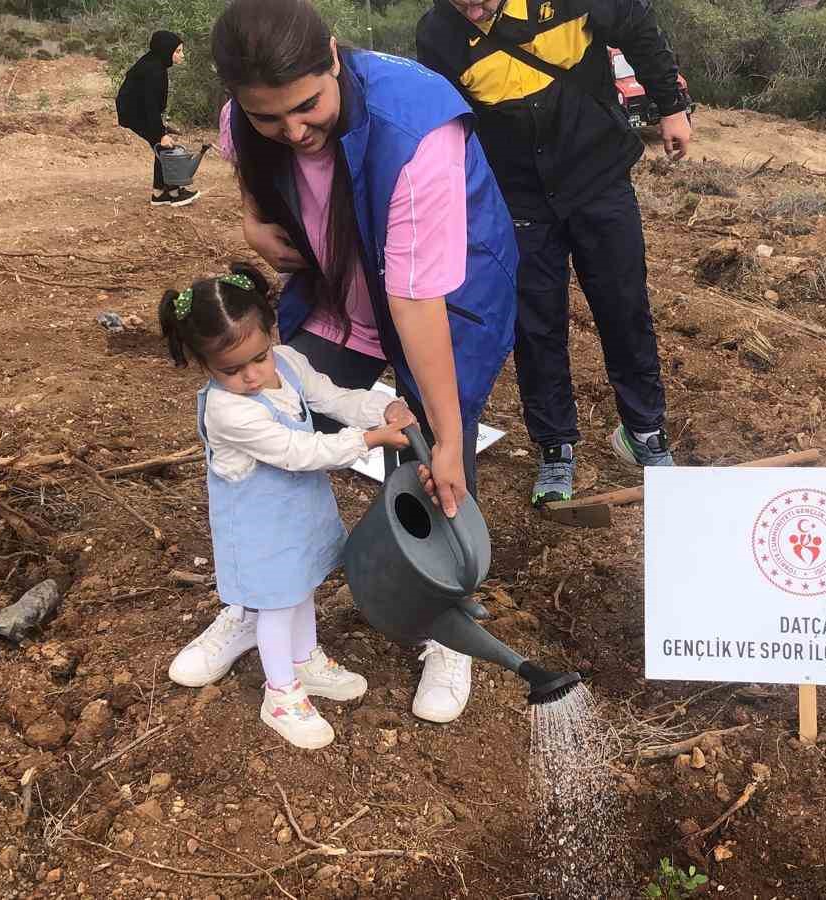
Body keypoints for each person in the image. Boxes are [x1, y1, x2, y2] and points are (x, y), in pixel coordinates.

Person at [167, 0, 518, 725]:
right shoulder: (244, 118)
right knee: (267, 428)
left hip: (441, 296)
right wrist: (253, 222)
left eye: (307, 107)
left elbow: (415, 300)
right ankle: (257, 603)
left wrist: (448, 437)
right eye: (270, 118)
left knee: (434, 459)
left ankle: (446, 624)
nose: (294, 132)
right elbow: (249, 166)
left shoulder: (417, 128)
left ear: (332, 55)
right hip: (337, 293)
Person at [416, 0, 694, 505]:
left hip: (599, 177)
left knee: (623, 305)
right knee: (536, 324)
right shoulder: (439, 34)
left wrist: (671, 107)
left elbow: (636, 25)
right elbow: (447, 124)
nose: (472, 10)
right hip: (518, 198)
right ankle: (554, 446)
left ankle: (645, 431)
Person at [158, 262, 417, 749]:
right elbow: (298, 452)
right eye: (231, 370)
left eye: (259, 358)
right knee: (276, 606)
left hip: (297, 514)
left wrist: (380, 408)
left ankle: (304, 660)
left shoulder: (289, 364)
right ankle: (280, 692)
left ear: (272, 333)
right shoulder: (228, 410)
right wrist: (368, 439)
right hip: (260, 528)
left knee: (302, 587)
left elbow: (333, 397)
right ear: (204, 365)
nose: (252, 375)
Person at [116, 30, 201, 207]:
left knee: (162, 147)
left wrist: (160, 130)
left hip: (137, 110)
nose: (182, 55)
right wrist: (160, 133)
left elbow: (151, 103)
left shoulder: (156, 63)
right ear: (166, 50)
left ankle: (159, 193)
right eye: (178, 51)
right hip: (134, 113)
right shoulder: (153, 70)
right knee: (164, 146)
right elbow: (150, 106)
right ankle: (173, 192)